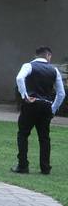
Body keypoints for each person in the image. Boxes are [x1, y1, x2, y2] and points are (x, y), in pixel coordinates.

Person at [12, 46, 65, 174]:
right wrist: (52, 109)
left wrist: (25, 96)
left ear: (36, 56)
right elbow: (61, 93)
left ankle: (23, 166)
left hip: (31, 104)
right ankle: (45, 168)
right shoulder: (54, 70)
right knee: (44, 137)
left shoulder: (28, 66)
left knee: (23, 134)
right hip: (46, 106)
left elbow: (19, 78)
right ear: (48, 56)